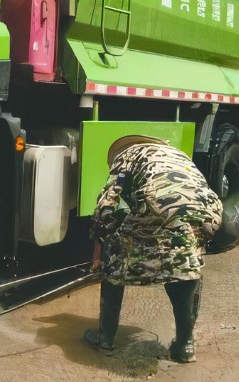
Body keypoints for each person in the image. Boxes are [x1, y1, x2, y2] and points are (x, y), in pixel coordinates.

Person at [86, 135, 223, 363]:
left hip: (158, 207)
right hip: (208, 213)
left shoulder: (127, 156)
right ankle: (185, 345)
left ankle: (105, 339)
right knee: (186, 262)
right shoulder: (179, 157)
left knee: (115, 260)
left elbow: (107, 205)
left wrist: (100, 247)